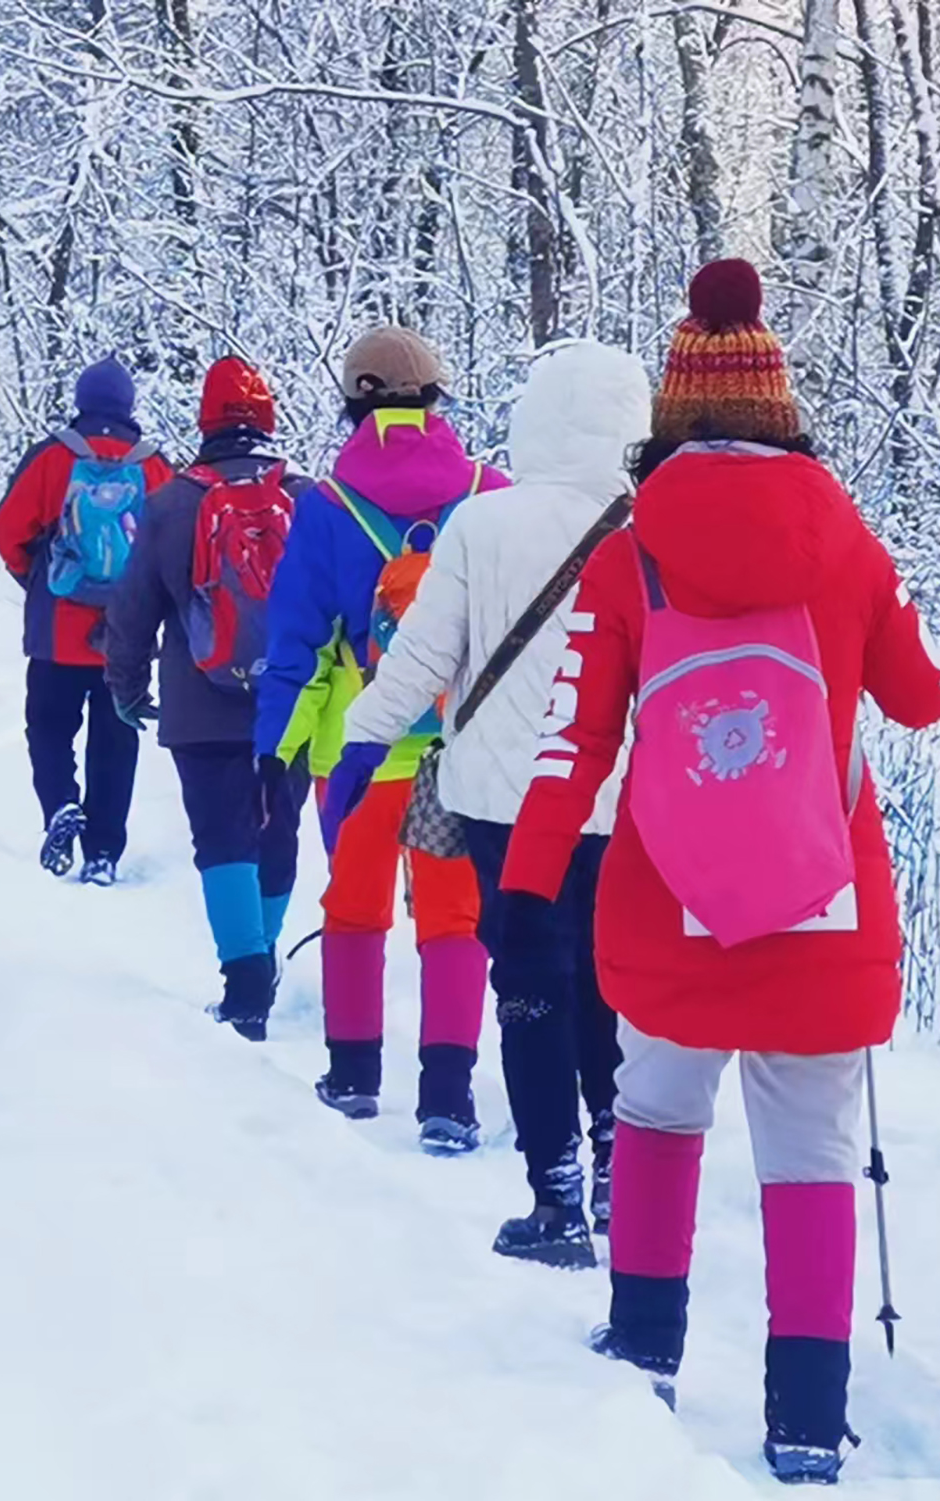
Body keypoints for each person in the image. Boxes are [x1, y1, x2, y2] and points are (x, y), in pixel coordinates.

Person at [499, 260, 940, 1484]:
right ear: (779, 408)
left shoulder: (627, 555)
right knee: (809, 1156)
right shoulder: (847, 542)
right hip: (826, 902)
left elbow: (572, 741)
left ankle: (643, 1350)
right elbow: (918, 702)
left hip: (668, 901)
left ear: (670, 415)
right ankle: (804, 1416)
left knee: (653, 1114)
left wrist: (528, 881)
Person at [331, 341, 650, 1265]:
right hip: (615, 802)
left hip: (505, 806)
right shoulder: (648, 526)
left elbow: (424, 658)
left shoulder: (482, 524)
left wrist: (362, 740)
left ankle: (554, 1201)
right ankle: (615, 1165)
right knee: (605, 987)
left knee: (530, 990)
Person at [253, 326, 507, 1154]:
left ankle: (355, 1075)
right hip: (459, 750)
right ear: (436, 400)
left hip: (355, 750)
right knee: (455, 918)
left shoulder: (326, 506)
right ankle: (448, 1098)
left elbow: (296, 639)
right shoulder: (489, 493)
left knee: (355, 910)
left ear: (355, 404)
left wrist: (274, 748)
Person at [106, 358, 310, 1039]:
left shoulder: (172, 501)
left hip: (200, 703)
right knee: (277, 827)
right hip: (294, 700)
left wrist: (127, 688)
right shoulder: (307, 497)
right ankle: (264, 957)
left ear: (205, 420)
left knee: (222, 837)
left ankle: (244, 976)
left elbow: (133, 610)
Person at [0, 357, 174, 886]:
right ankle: (103, 853)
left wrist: (39, 577)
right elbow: (171, 547)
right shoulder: (155, 467)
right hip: (127, 635)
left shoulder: (52, 457)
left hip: (56, 630)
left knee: (48, 727)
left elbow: (8, 530)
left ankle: (58, 806)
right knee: (116, 739)